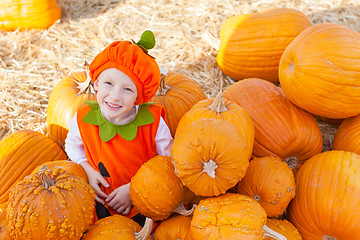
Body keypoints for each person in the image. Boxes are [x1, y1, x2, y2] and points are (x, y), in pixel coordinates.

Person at [64, 30, 173, 226]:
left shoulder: (153, 124)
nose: (115, 96)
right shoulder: (83, 119)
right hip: (100, 203)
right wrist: (87, 169)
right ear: (96, 83)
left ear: (139, 97)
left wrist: (134, 190)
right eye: (108, 83)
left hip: (142, 204)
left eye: (127, 89)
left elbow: (168, 164)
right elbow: (72, 146)